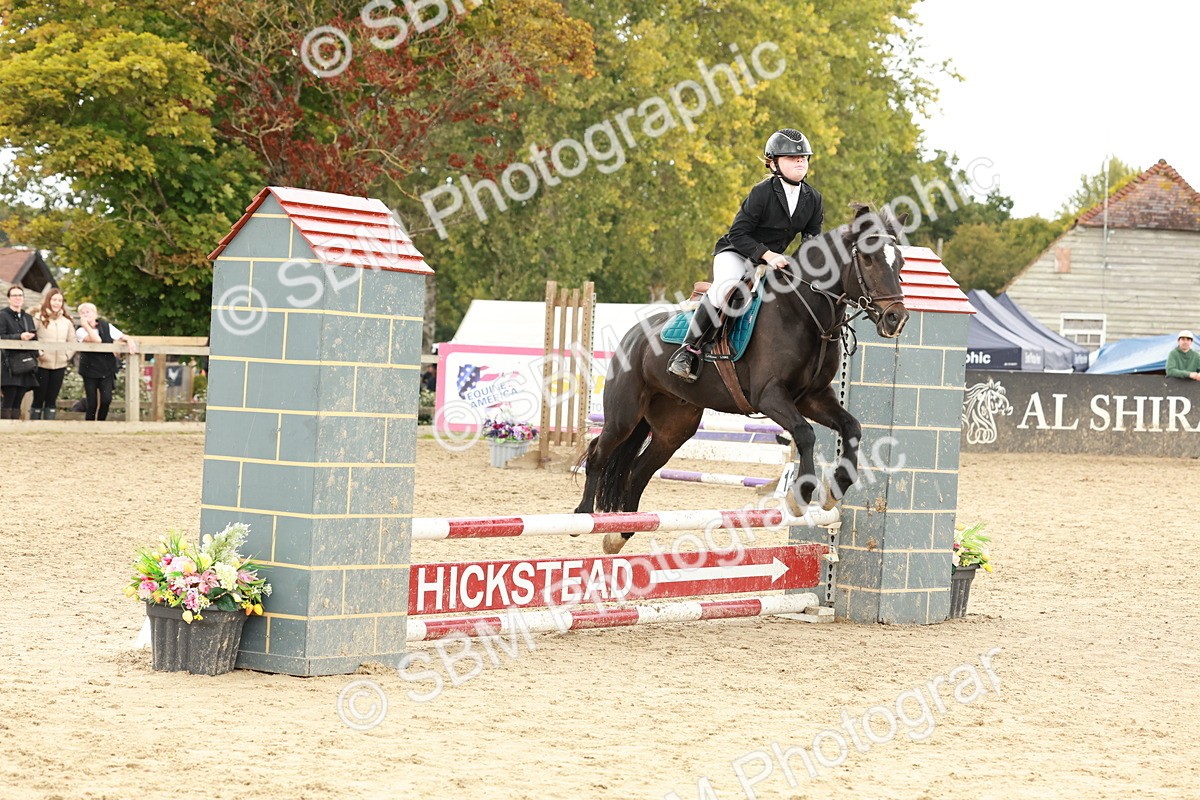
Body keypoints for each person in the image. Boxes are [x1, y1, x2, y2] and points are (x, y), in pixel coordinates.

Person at [668, 128, 824, 382]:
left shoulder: (814, 198)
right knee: (726, 289)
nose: (799, 161)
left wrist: (805, 265)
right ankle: (688, 352)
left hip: (770, 262)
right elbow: (739, 233)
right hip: (737, 252)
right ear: (773, 163)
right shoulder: (762, 192)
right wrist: (768, 254)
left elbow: (811, 239)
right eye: (791, 157)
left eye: (803, 157)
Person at [76, 302, 138, 421]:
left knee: (106, 399)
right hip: (89, 369)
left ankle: (101, 423)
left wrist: (130, 342)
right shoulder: (80, 331)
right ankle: (89, 424)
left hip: (106, 368)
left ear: (95, 314)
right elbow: (96, 340)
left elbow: (123, 336)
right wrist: (86, 325)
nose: (85, 314)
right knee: (92, 401)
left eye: (88, 312)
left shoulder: (106, 326)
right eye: (82, 313)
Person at [31, 287, 75, 419]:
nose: (57, 303)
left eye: (60, 300)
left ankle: (49, 426)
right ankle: (34, 424)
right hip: (42, 364)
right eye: (54, 300)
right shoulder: (38, 318)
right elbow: (32, 338)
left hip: (60, 363)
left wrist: (67, 355)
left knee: (52, 397)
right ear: (48, 300)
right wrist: (39, 354)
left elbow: (72, 341)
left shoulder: (67, 322)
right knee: (39, 396)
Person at [1, 285, 39, 419]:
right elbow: (1, 336)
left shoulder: (27, 317)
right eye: (14, 295)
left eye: (20, 295)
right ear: (9, 299)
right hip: (8, 363)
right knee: (9, 397)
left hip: (25, 362)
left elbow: (35, 336)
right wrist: (19, 337)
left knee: (19, 397)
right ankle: (5, 427)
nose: (18, 298)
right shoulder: (3, 315)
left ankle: (15, 428)